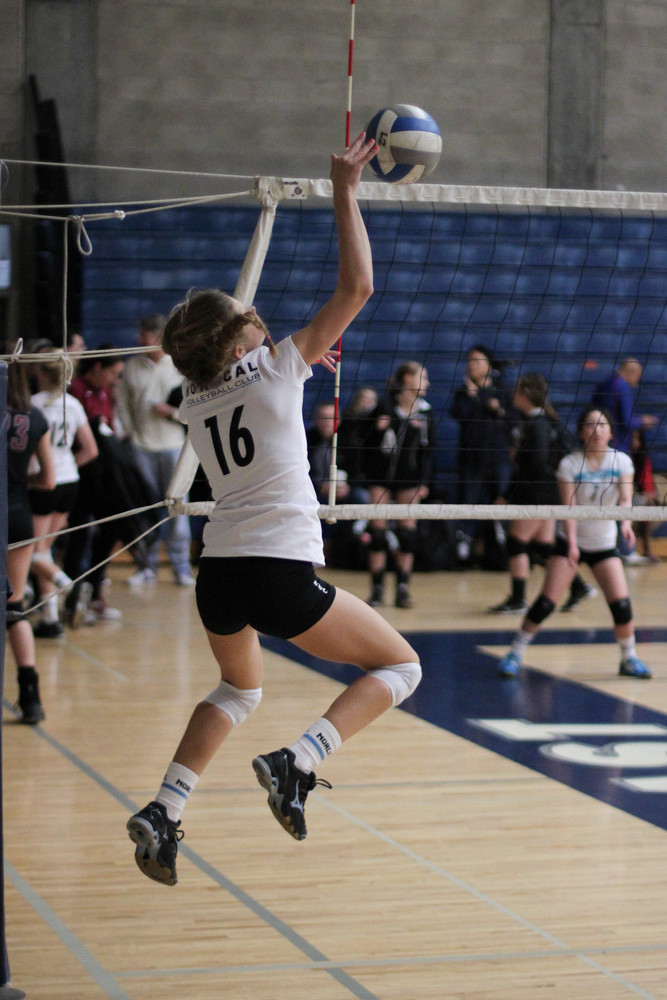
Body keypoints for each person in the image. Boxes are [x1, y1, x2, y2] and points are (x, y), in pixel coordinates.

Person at [126, 134, 421, 887]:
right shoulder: (274, 365)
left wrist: (294, 360)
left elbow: (248, 388)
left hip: (219, 572)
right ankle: (299, 760)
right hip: (275, 567)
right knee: (401, 666)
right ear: (238, 341)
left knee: (238, 689)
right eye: (248, 316)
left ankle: (164, 808)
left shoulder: (195, 396)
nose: (259, 318)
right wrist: (345, 188)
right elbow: (358, 288)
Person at [497, 407, 651, 679]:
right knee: (546, 603)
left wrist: (626, 525)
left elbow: (626, 499)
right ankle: (515, 653)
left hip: (604, 544)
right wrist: (571, 544)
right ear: (581, 432)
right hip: (571, 542)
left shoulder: (621, 462)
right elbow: (569, 507)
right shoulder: (570, 463)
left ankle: (629, 658)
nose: (597, 430)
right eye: (591, 425)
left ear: (611, 432)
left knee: (621, 604)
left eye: (602, 425)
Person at [489, 372, 594, 614]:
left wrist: (510, 492)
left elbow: (535, 464)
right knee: (545, 545)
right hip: (548, 491)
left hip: (537, 493)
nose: (513, 393)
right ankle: (578, 587)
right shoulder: (544, 421)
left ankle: (518, 599)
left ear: (526, 393)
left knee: (516, 542)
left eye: (517, 389)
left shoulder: (537, 424)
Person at [116, 314, 194, 587]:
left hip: (173, 447)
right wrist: (131, 435)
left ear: (159, 338)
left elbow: (194, 408)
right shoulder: (132, 366)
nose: (139, 340)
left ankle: (181, 569)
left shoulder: (180, 366)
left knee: (178, 509)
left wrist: (171, 413)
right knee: (145, 510)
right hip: (141, 448)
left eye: (145, 336)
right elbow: (122, 405)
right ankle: (146, 567)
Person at [29, 350, 98, 637]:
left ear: (42, 373)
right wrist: (67, 466)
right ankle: (50, 619)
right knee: (44, 552)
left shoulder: (34, 404)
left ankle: (70, 587)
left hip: (41, 482)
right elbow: (90, 450)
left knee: (32, 553)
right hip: (69, 481)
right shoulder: (73, 404)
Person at [5, 360, 56, 722]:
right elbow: (49, 480)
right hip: (18, 515)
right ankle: (31, 697)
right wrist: (21, 481)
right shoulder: (35, 417)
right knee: (14, 607)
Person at [363, 361, 436, 609]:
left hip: (410, 479)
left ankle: (402, 588)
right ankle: (377, 588)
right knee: (377, 533)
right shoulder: (384, 406)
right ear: (407, 379)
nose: (427, 383)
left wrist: (424, 481)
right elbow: (362, 441)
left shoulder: (426, 413)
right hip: (380, 477)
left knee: (407, 534)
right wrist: (377, 429)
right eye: (422, 378)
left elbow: (429, 452)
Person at [449, 345, 512, 565]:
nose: (471, 364)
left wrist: (486, 401)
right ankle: (464, 551)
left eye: (476, 360)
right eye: (469, 360)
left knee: (500, 504)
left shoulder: (501, 390)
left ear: (488, 365)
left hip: (498, 458)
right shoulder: (463, 392)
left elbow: (510, 419)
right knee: (468, 505)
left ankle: (500, 551)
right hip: (471, 459)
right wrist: (476, 398)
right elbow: (459, 414)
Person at [592, 357, 657, 456]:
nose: (637, 382)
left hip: (600, 443)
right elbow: (627, 422)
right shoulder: (623, 387)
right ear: (630, 372)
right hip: (618, 445)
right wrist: (643, 421)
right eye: (637, 376)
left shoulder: (605, 384)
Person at [631, 427, 660, 562]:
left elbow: (647, 481)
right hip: (624, 497)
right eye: (632, 438)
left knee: (649, 505)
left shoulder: (643, 458)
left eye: (637, 438)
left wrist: (650, 493)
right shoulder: (621, 457)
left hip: (638, 497)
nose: (634, 442)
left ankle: (646, 550)